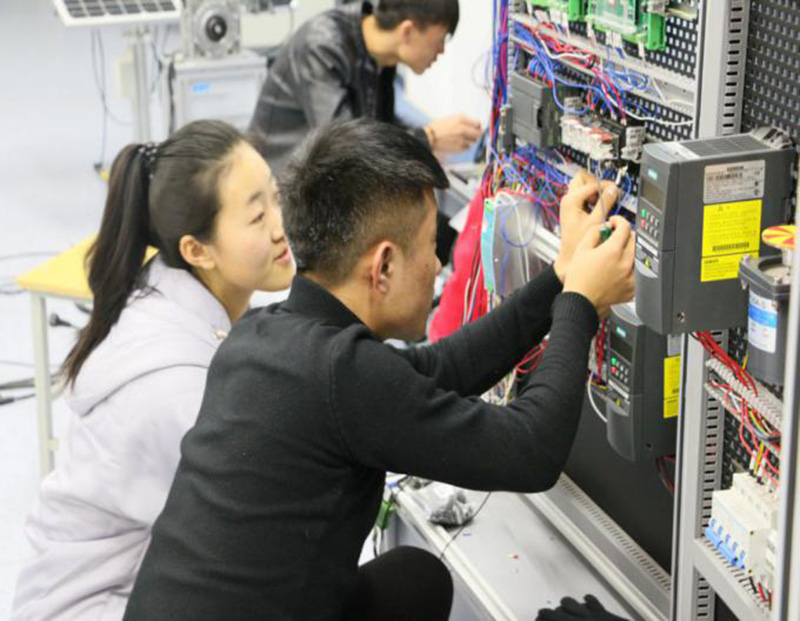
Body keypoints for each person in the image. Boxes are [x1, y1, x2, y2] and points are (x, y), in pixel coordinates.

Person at [123, 118, 635, 621]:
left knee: (414, 580)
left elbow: (439, 368)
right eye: (431, 247)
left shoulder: (264, 334)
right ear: (383, 265)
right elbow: (531, 450)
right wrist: (581, 303)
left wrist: (562, 275)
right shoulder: (340, 374)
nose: (438, 266)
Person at [12, 120, 295, 621]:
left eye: (276, 198)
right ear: (196, 250)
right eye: (257, 217)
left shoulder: (171, 297)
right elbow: (260, 537)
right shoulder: (175, 386)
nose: (280, 226)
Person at [247, 0, 482, 173]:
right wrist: (429, 137)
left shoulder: (381, 59)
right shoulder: (321, 46)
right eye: (441, 39)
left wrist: (426, 142)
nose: (441, 51)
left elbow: (377, 130)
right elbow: (343, 151)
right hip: (281, 187)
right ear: (407, 31)